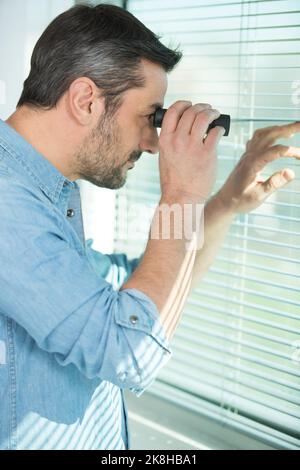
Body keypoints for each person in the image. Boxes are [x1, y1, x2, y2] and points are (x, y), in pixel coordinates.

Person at [0, 3, 299, 450]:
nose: (154, 143)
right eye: (150, 116)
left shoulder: (45, 195)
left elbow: (138, 296)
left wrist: (224, 204)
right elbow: (126, 348)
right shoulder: (8, 200)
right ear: (86, 101)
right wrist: (181, 195)